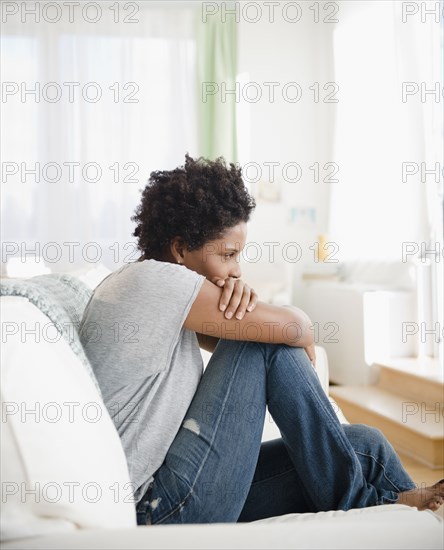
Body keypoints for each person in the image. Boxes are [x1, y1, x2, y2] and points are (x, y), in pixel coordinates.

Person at [79, 154, 444, 525]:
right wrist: (298, 323)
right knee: (260, 340)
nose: (237, 267)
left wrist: (259, 307)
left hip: (182, 485)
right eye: (228, 254)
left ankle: (408, 527)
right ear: (179, 249)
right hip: (159, 507)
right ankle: (364, 504)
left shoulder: (152, 290)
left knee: (368, 447)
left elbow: (252, 341)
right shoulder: (153, 282)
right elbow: (284, 330)